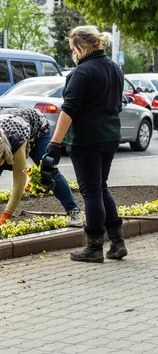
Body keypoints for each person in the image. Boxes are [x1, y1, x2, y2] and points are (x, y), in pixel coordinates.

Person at [47, 26, 125, 263]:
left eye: (73, 49)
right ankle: (117, 242)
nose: (73, 53)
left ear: (82, 47)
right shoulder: (114, 68)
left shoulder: (82, 72)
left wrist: (54, 143)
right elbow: (119, 104)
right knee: (101, 187)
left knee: (91, 192)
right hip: (111, 136)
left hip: (86, 140)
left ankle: (94, 247)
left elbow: (68, 110)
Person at [0, 107, 83, 226]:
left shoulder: (16, 144)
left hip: (35, 127)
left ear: (4, 154)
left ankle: (74, 211)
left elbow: (19, 183)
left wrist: (6, 216)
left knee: (48, 169)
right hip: (10, 122)